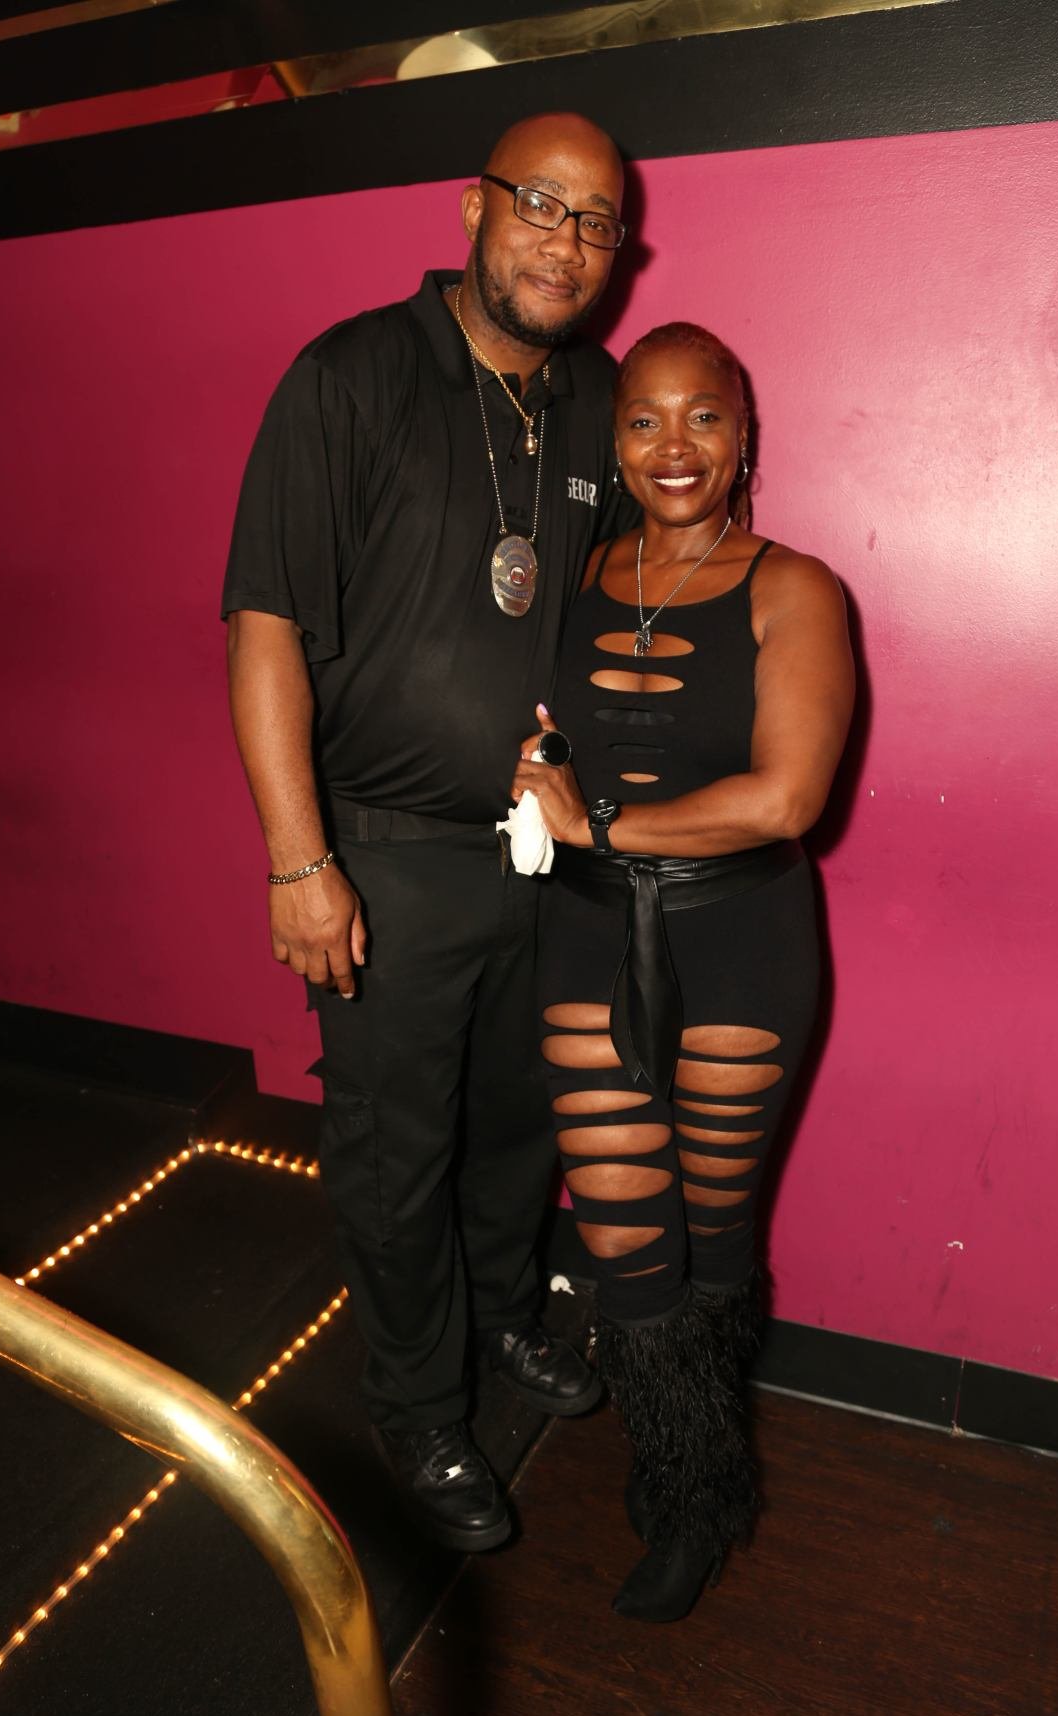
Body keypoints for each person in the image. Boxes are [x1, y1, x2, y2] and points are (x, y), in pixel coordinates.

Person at [222, 114, 636, 1553]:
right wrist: (301, 862)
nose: (566, 243)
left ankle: (508, 1315)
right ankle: (416, 1407)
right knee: (397, 1153)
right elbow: (265, 626)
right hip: (385, 852)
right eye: (542, 204)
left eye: (598, 221)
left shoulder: (596, 399)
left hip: (540, 846)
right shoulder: (351, 377)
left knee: (521, 1122)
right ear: (474, 206)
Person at [511, 321, 855, 1620]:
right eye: (646, 420)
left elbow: (785, 800)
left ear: (742, 436)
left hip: (739, 944)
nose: (674, 446)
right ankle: (693, 1470)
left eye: (703, 417)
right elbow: (540, 727)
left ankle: (699, 1483)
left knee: (714, 1230)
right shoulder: (576, 574)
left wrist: (596, 822)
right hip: (587, 936)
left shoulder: (795, 588)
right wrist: (536, 772)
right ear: (616, 442)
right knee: (622, 1238)